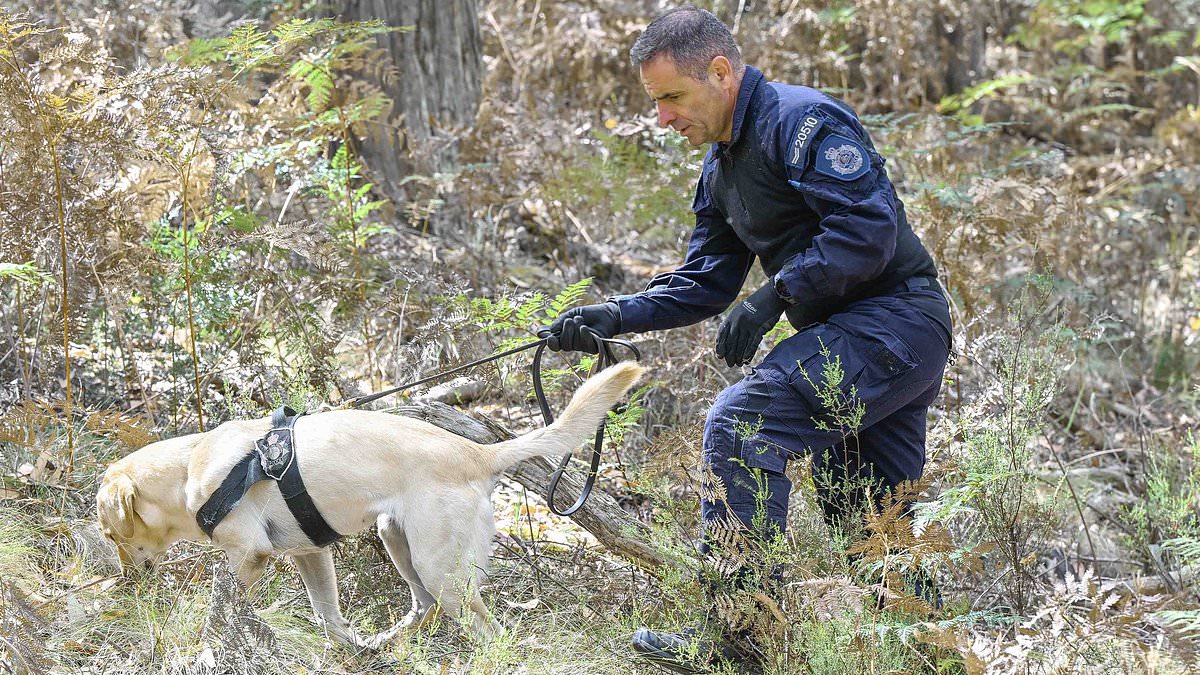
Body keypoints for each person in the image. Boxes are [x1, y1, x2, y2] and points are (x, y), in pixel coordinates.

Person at [543, 6, 952, 673]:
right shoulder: (720, 170)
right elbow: (705, 280)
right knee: (869, 521)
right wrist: (611, 316)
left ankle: (736, 645)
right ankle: (935, 660)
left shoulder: (802, 122)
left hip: (895, 322)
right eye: (655, 102)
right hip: (855, 340)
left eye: (672, 97)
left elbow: (869, 231)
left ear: (722, 71)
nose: (663, 117)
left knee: (741, 424)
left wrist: (774, 296)